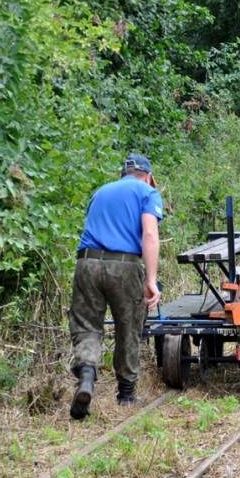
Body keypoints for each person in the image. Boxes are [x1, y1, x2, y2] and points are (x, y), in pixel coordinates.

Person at [68, 154, 163, 420]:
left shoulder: (100, 191)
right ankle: (126, 395)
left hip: (86, 263)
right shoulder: (148, 192)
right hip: (123, 265)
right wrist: (151, 280)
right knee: (129, 327)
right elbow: (149, 233)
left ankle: (86, 378)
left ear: (122, 174)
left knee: (87, 326)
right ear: (149, 176)